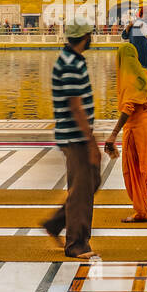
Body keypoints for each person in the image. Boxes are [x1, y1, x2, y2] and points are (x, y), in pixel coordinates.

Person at [41, 18, 101, 260]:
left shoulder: (74, 60)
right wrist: (91, 142)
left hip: (76, 134)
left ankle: (56, 224)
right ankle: (76, 244)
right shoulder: (70, 64)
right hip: (76, 137)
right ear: (85, 37)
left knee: (91, 181)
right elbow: (76, 106)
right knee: (81, 191)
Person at [104, 41, 147, 222]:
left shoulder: (129, 78)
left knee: (132, 171)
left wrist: (114, 133)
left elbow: (128, 108)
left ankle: (141, 211)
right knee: (143, 168)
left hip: (135, 128)